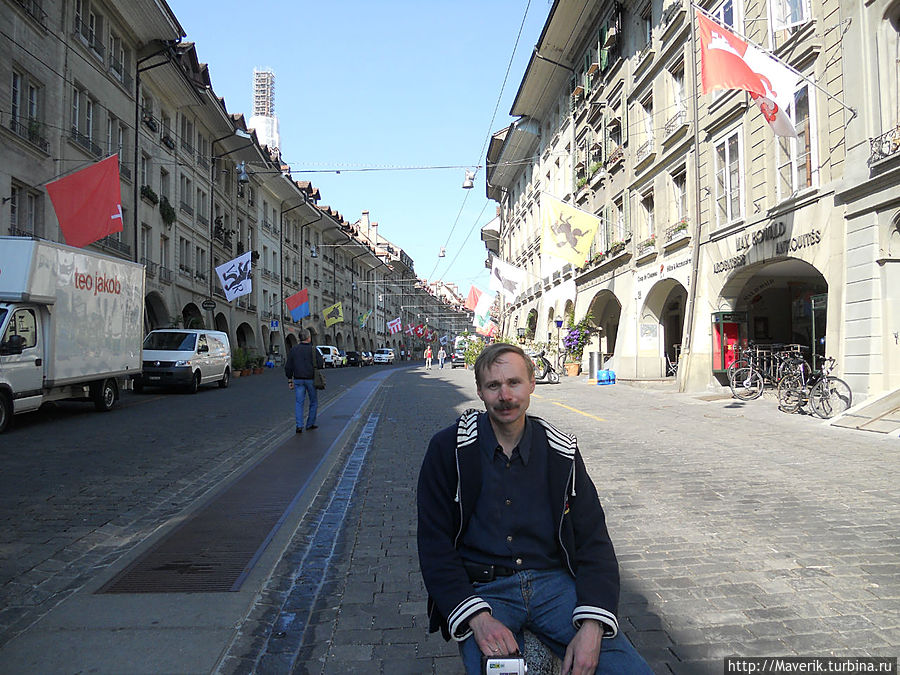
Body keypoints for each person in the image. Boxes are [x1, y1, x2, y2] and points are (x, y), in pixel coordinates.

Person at [417, 343, 651, 675]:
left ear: (531, 384)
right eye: (494, 385)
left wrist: (592, 626)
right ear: (480, 392)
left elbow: (593, 540)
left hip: (554, 587)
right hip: (486, 591)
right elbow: (434, 545)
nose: (505, 396)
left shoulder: (560, 451)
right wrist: (477, 618)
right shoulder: (449, 449)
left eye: (514, 383)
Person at [284, 328, 324, 434]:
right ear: (309, 338)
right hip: (311, 379)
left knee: (299, 403)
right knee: (313, 402)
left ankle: (299, 425)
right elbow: (320, 364)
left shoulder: (294, 350)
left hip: (298, 379)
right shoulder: (313, 350)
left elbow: (288, 366)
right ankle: (310, 424)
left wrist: (289, 380)